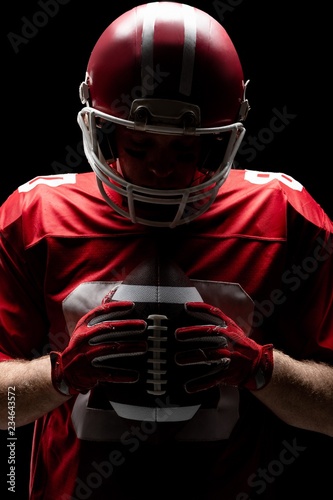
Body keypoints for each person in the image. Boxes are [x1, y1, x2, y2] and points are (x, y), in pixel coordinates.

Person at [0, 2, 332, 499]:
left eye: (184, 148)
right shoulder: (33, 216)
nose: (161, 169)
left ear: (221, 141)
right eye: (139, 146)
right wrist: (61, 375)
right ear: (105, 130)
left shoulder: (283, 214)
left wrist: (260, 368)